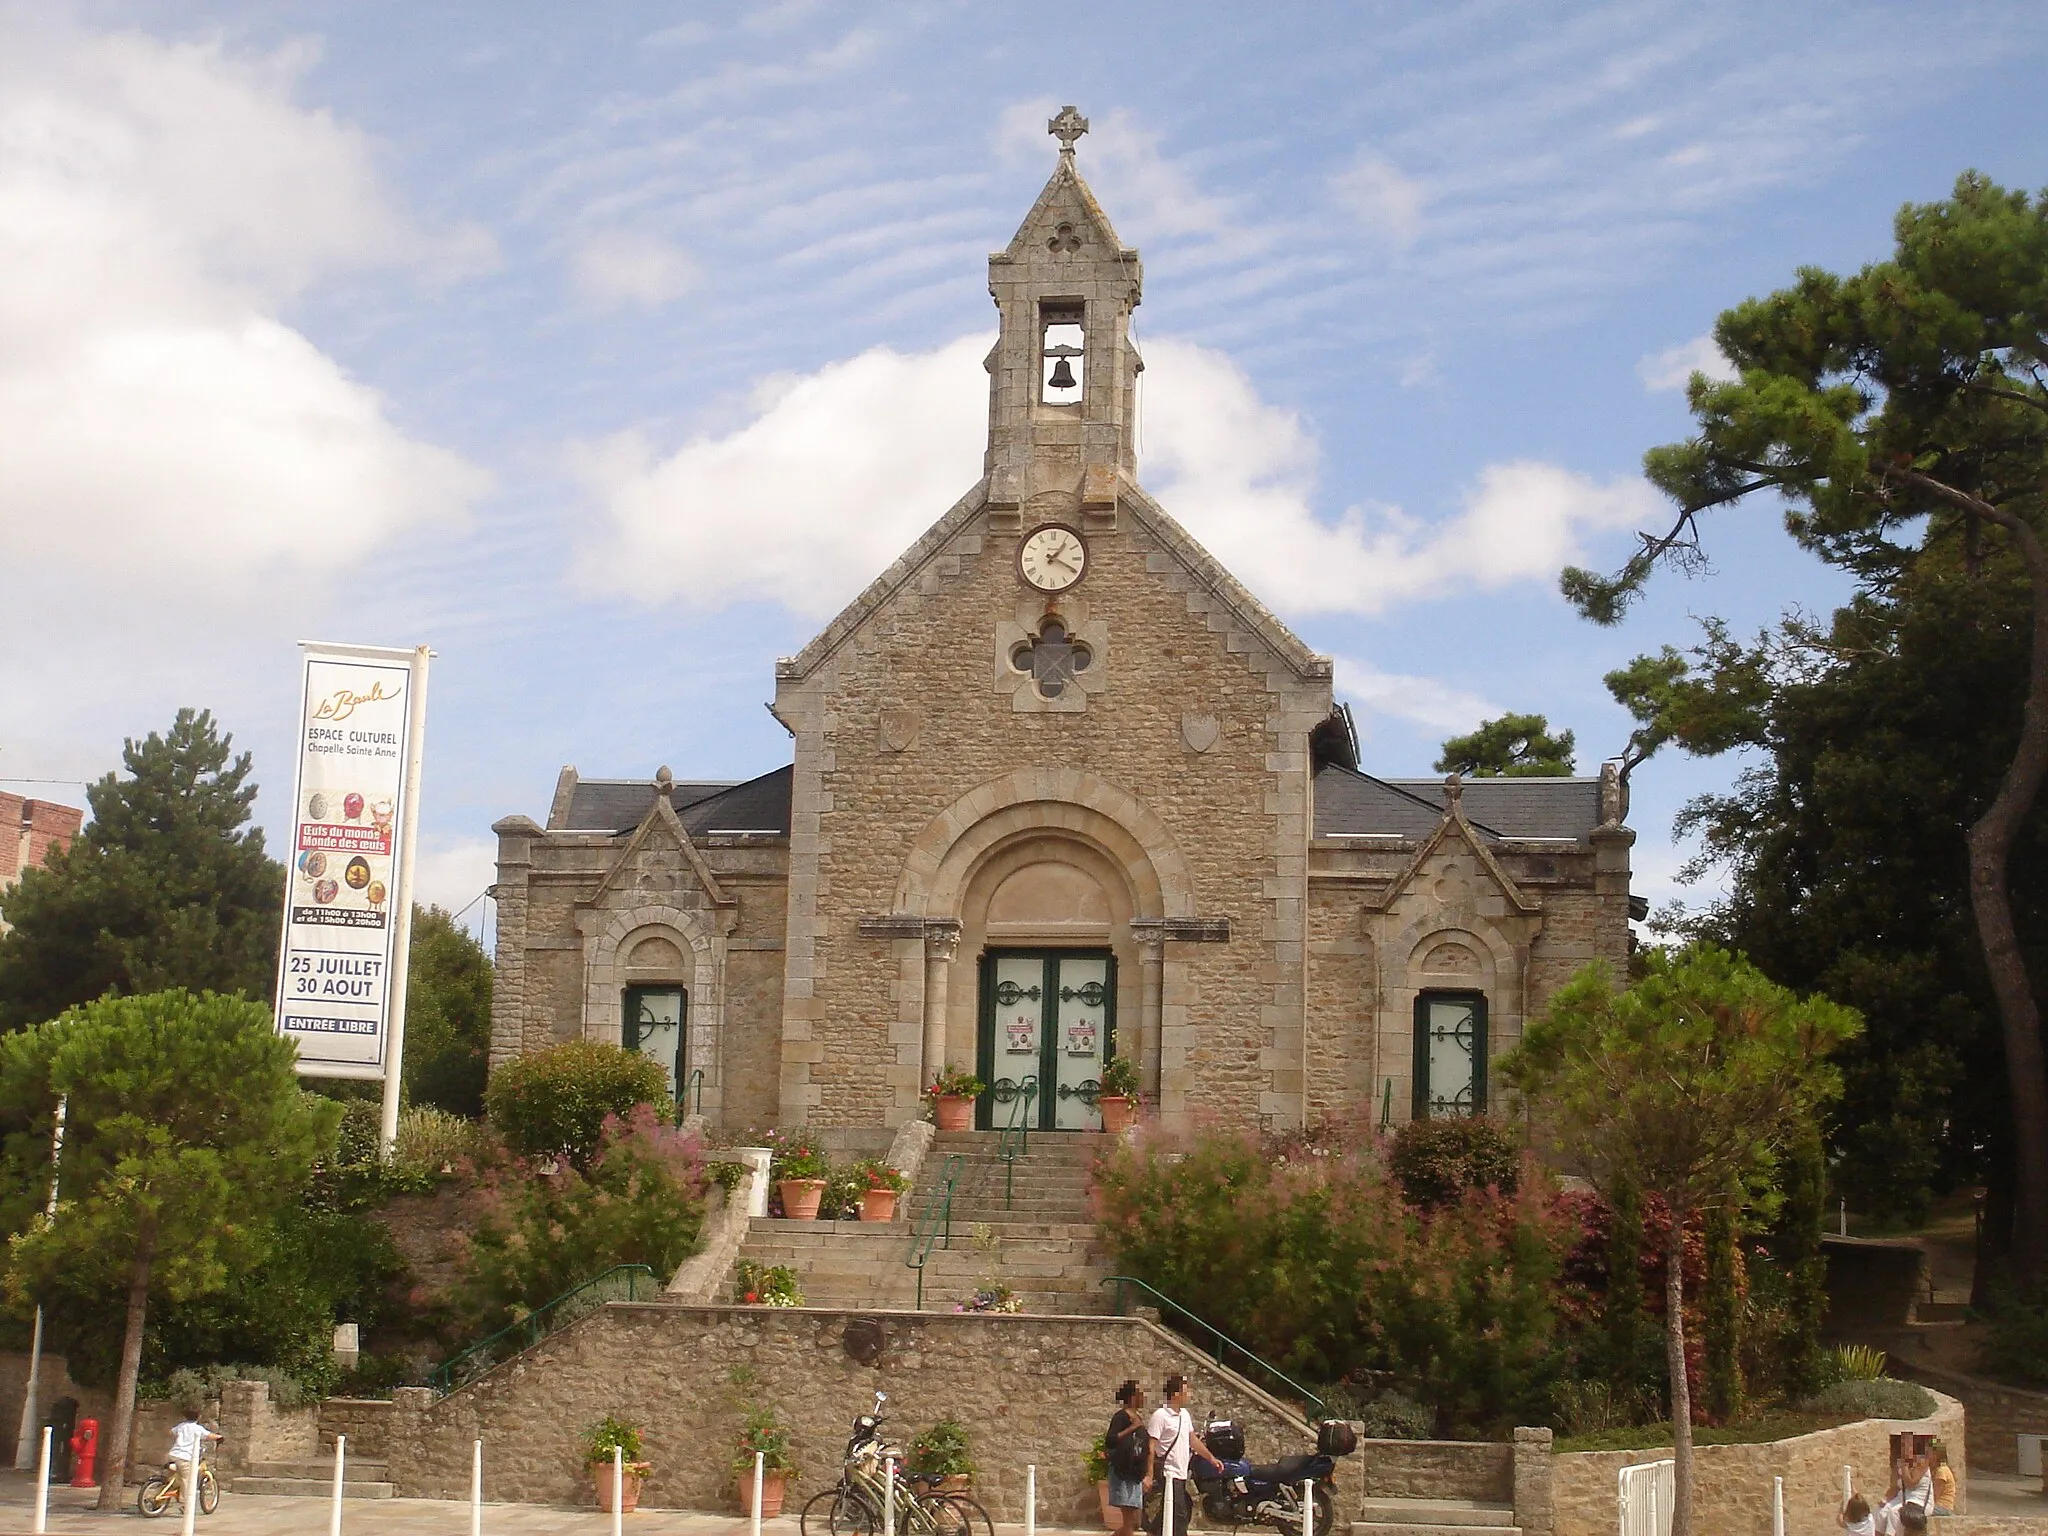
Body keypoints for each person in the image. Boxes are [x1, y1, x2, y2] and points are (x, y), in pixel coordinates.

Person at [1148, 1374, 1222, 1536]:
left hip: (1180, 1473)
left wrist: (1211, 1458)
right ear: (1175, 1394)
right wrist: (1149, 1474)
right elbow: (1151, 1446)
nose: (1189, 1394)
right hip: (1168, 1473)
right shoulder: (1160, 1416)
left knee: (1177, 1508)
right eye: (1186, 1390)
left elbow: (1192, 1440)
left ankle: (1154, 1532)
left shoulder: (1184, 1415)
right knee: (1179, 1514)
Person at [1106, 1381, 1149, 1536]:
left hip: (1135, 1472)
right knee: (1129, 1523)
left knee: (1131, 1522)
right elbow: (1110, 1440)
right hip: (1123, 1470)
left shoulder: (1138, 1417)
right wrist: (1132, 1427)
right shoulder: (1121, 1416)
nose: (1143, 1397)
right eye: (1140, 1394)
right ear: (1132, 1397)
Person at [166, 1408, 220, 1483]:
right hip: (184, 1457)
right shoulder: (197, 1428)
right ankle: (183, 1495)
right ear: (198, 1417)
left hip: (173, 1455)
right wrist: (220, 1437)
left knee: (171, 1479)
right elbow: (209, 1435)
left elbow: (170, 1432)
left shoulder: (181, 1426)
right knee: (187, 1483)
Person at [1929, 1441, 1956, 1515]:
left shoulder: (1942, 1471)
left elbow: (1935, 1496)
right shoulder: (1936, 1470)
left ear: (1936, 1455)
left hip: (1943, 1507)